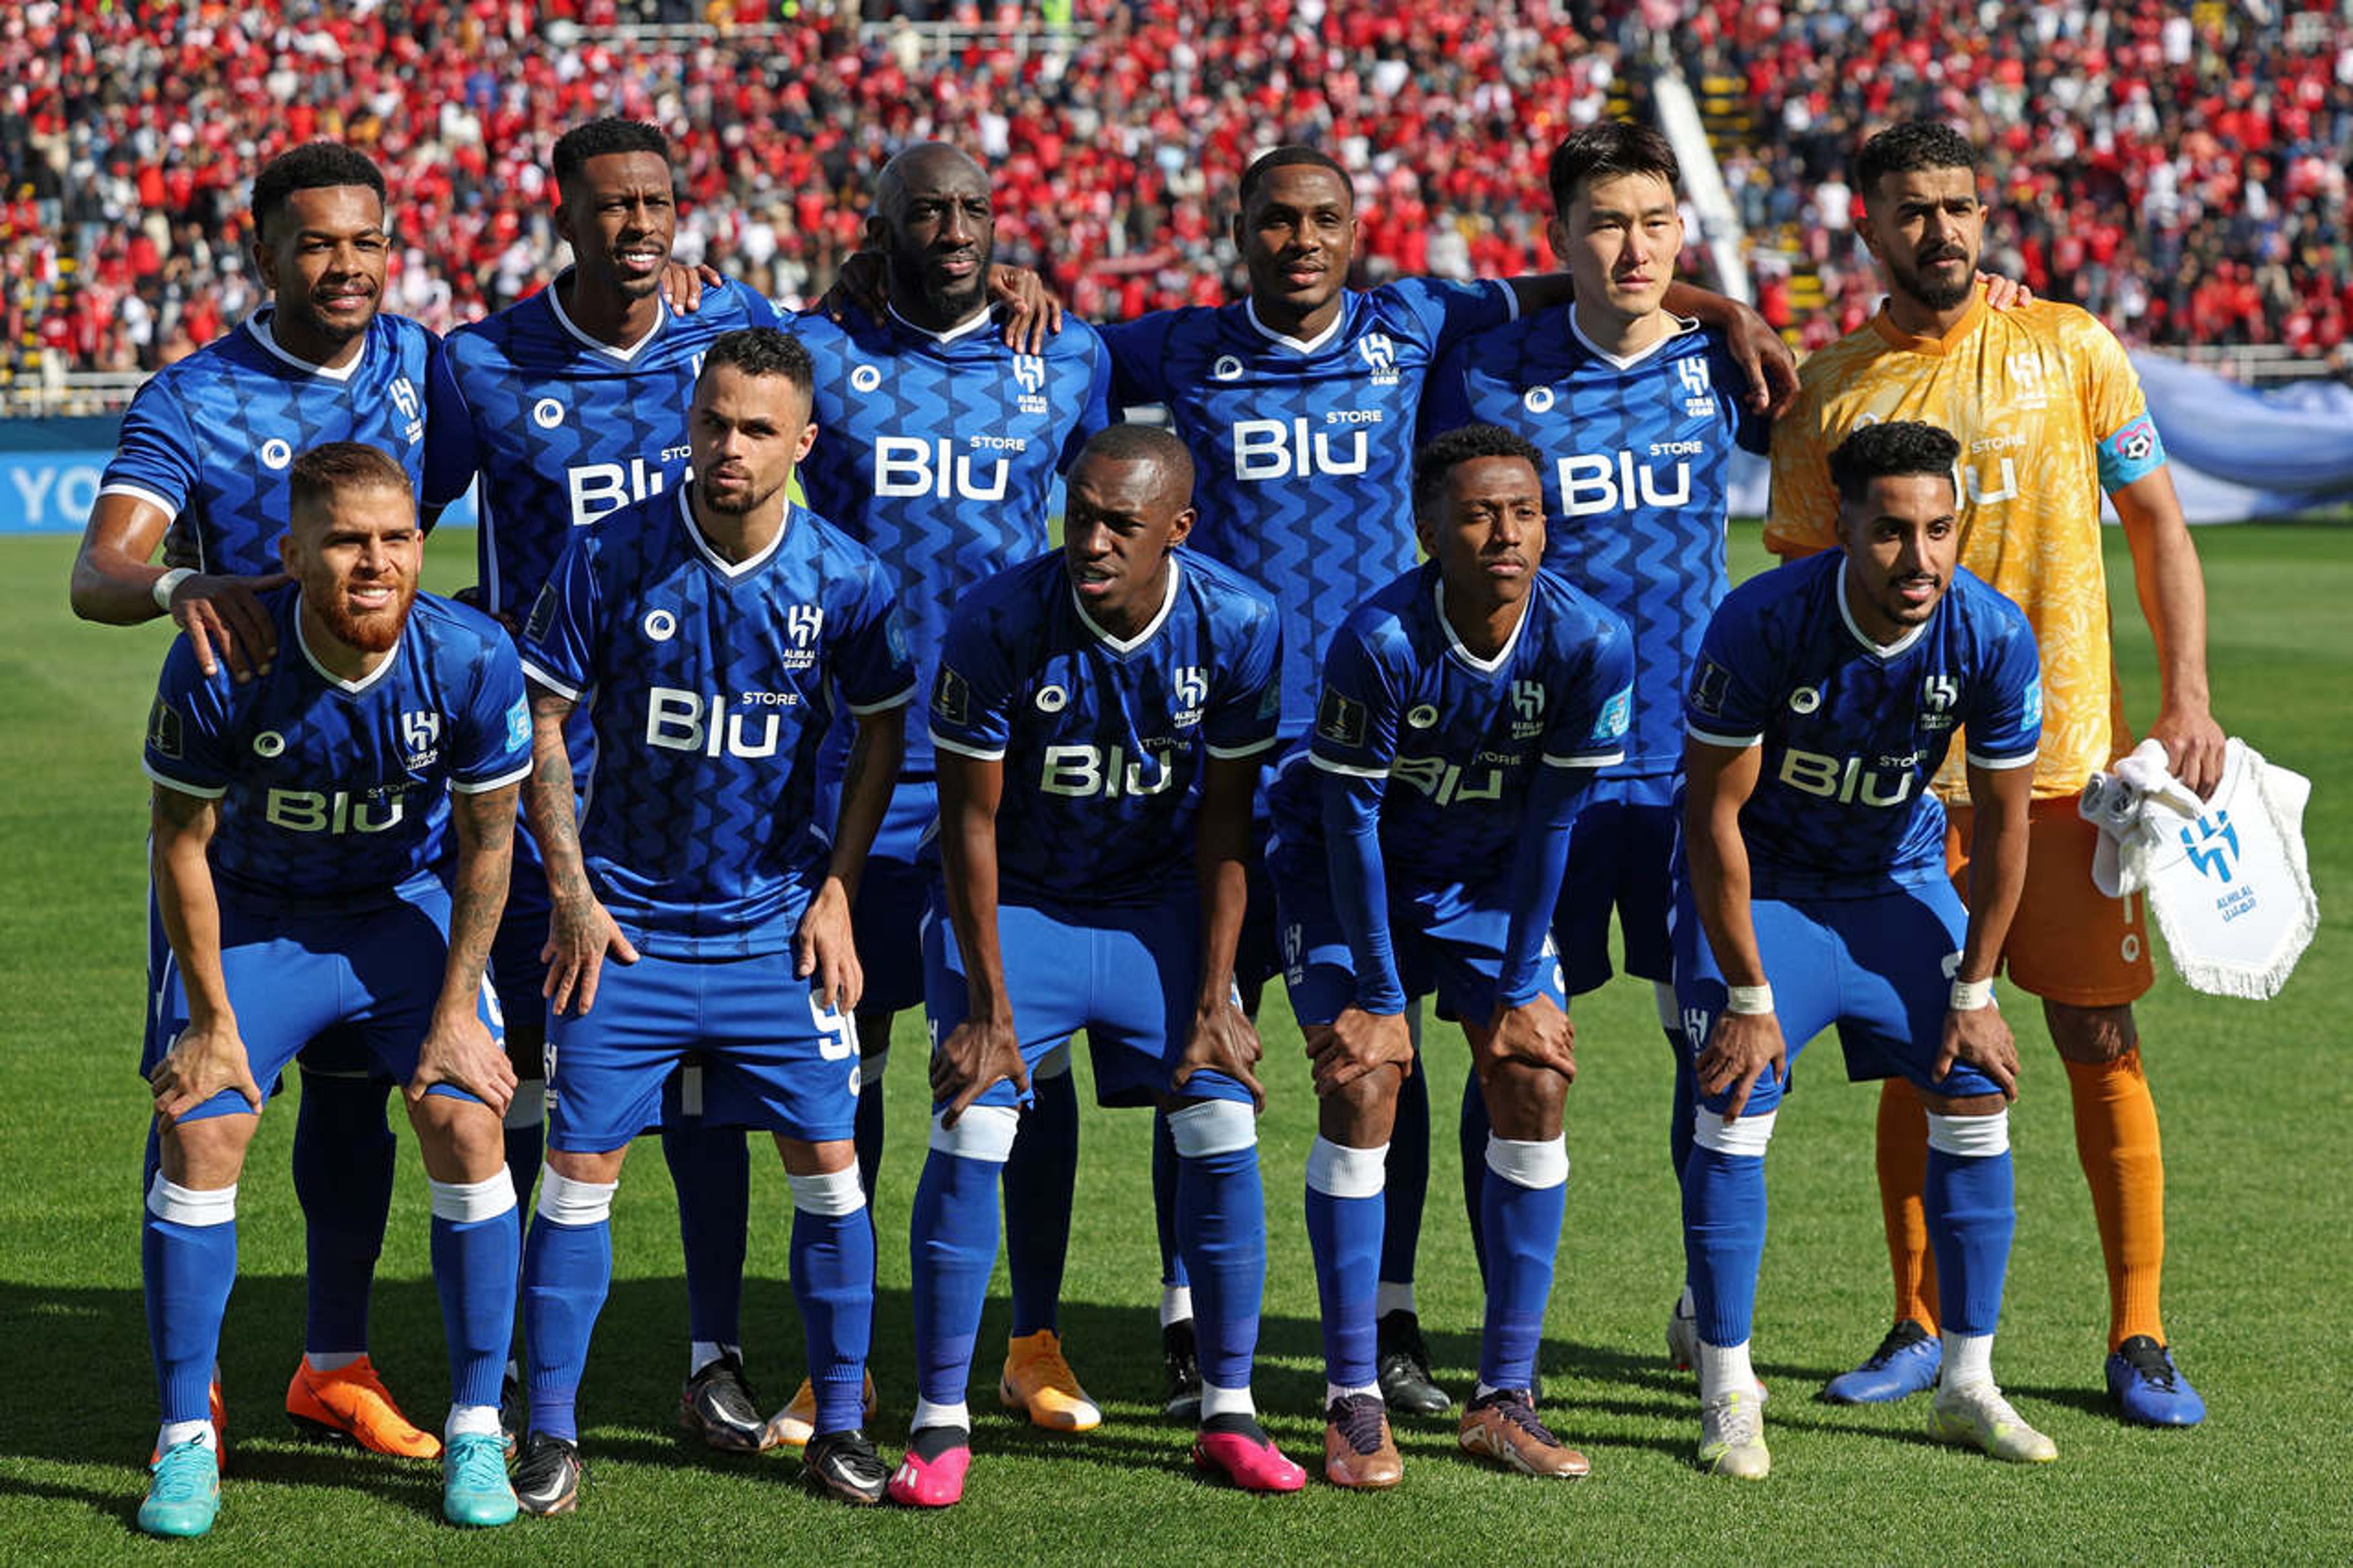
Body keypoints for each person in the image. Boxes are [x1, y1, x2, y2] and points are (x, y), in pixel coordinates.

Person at [1103, 142, 1793, 1418]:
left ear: (1361, 230)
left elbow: (1586, 282)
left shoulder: (1416, 320)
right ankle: (1188, 1299)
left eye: (1327, 220)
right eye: (1277, 220)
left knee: (1457, 1036)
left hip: (1443, 748)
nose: (1303, 240)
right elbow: (1051, 339)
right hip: (1237, 744)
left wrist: (1718, 304)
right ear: (1238, 226)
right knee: (1217, 1024)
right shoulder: (1177, 345)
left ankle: (1434, 1316)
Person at [1766, 121, 2222, 1426]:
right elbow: (1806, 591)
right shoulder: (1833, 390)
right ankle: (1917, 1319)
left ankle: (2138, 1330)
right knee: (1922, 1052)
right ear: (1868, 226)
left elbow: (2157, 525)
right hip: (1907, 793)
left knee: (2096, 1034)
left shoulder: (2070, 347)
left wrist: (2185, 696)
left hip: (2070, 770)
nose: (1945, 230)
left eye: (1961, 205)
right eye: (1914, 211)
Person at [73, 141, 451, 1462]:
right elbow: (101, 567)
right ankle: (195, 1387)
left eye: (364, 240)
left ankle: (333, 1363)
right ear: (260, 250)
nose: (343, 265)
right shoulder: (194, 395)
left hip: (390, 820)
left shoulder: (425, 367)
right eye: (315, 243)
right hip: (233, 834)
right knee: (204, 1095)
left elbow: (559, 374)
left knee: (359, 1105)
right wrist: (185, 586)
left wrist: (683, 286)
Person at [429, 115, 789, 1453]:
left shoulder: (733, 327)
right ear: (562, 210)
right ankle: (524, 1363)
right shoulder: (480, 363)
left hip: (710, 780)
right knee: (525, 1076)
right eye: (613, 205)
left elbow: (861, 332)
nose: (639, 227)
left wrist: (1016, 290)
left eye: (658, 202)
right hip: (540, 782)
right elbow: (396, 518)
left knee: (706, 1082)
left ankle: (712, 1351)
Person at [509, 328, 912, 1513]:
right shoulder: (612, 553)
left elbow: (881, 725)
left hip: (774, 931)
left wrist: (839, 885)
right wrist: (572, 893)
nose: (727, 448)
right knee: (577, 1178)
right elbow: (543, 722)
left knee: (833, 1177)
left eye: (755, 429)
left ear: (805, 443)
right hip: (623, 929)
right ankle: (551, 1433)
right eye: (711, 422)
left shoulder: (847, 577)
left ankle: (840, 1425)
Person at [893, 423, 1297, 1506]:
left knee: (1222, 1118)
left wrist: (1217, 997)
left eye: (1124, 523)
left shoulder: (1242, 624)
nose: (1095, 540)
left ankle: (1230, 1410)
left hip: (1158, 913)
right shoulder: (998, 620)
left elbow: (1227, 832)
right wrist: (985, 1007)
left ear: (1179, 527)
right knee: (975, 1113)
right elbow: (968, 829)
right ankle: (940, 1420)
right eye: (1081, 515)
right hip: (1019, 906)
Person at [1419, 121, 1768, 1368]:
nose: (1633, 247)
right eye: (1607, 222)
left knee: (1707, 1034)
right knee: (1510, 1038)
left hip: (1690, 775)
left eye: (1655, 223)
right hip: (1535, 775)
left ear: (1682, 232)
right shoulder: (1486, 371)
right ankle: (1492, 1317)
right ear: (1560, 233)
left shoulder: (1723, 366)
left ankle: (1698, 1292)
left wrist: (1718, 310)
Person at [135, 441, 531, 1535]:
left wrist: (456, 1010)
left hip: (401, 915)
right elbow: (180, 842)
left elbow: (489, 844)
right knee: (204, 1128)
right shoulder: (226, 660)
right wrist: (212, 1023)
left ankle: (476, 1430)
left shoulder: (468, 656)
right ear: (292, 553)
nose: (376, 563)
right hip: (254, 914)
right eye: (347, 541)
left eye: (396, 539)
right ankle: (183, 1439)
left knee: (467, 1117)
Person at [784, 140, 1115, 1447]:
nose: (958, 227)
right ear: (882, 226)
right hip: (853, 760)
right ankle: (845, 1354)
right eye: (927, 208)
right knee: (842, 1054)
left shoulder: (1070, 354)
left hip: (1014, 767)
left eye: (977, 207)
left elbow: (1120, 505)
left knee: (1020, 1045)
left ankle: (1032, 1333)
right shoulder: (816, 346)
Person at [1678, 419, 2051, 1477]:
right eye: (1891, 532)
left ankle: (1968, 1383)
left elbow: (2009, 824)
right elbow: (1711, 822)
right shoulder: (1763, 623)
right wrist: (1749, 992)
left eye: (1939, 530)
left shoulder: (1990, 633)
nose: (1920, 558)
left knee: (1979, 1093)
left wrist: (1976, 988)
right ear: (1840, 526)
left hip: (1897, 884)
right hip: (1773, 889)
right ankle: (1728, 1391)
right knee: (1733, 1103)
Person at [1270, 424, 1633, 1487]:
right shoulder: (1378, 642)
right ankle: (1352, 1401)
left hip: (1486, 887)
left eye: (1524, 512)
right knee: (1368, 1078)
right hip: (1346, 881)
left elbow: (1555, 825)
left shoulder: (1589, 641)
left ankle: (1504, 1399)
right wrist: (1380, 996)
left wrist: (1523, 982)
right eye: (1478, 513)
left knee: (1533, 1074)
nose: (1505, 533)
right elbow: (1348, 831)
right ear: (1429, 528)